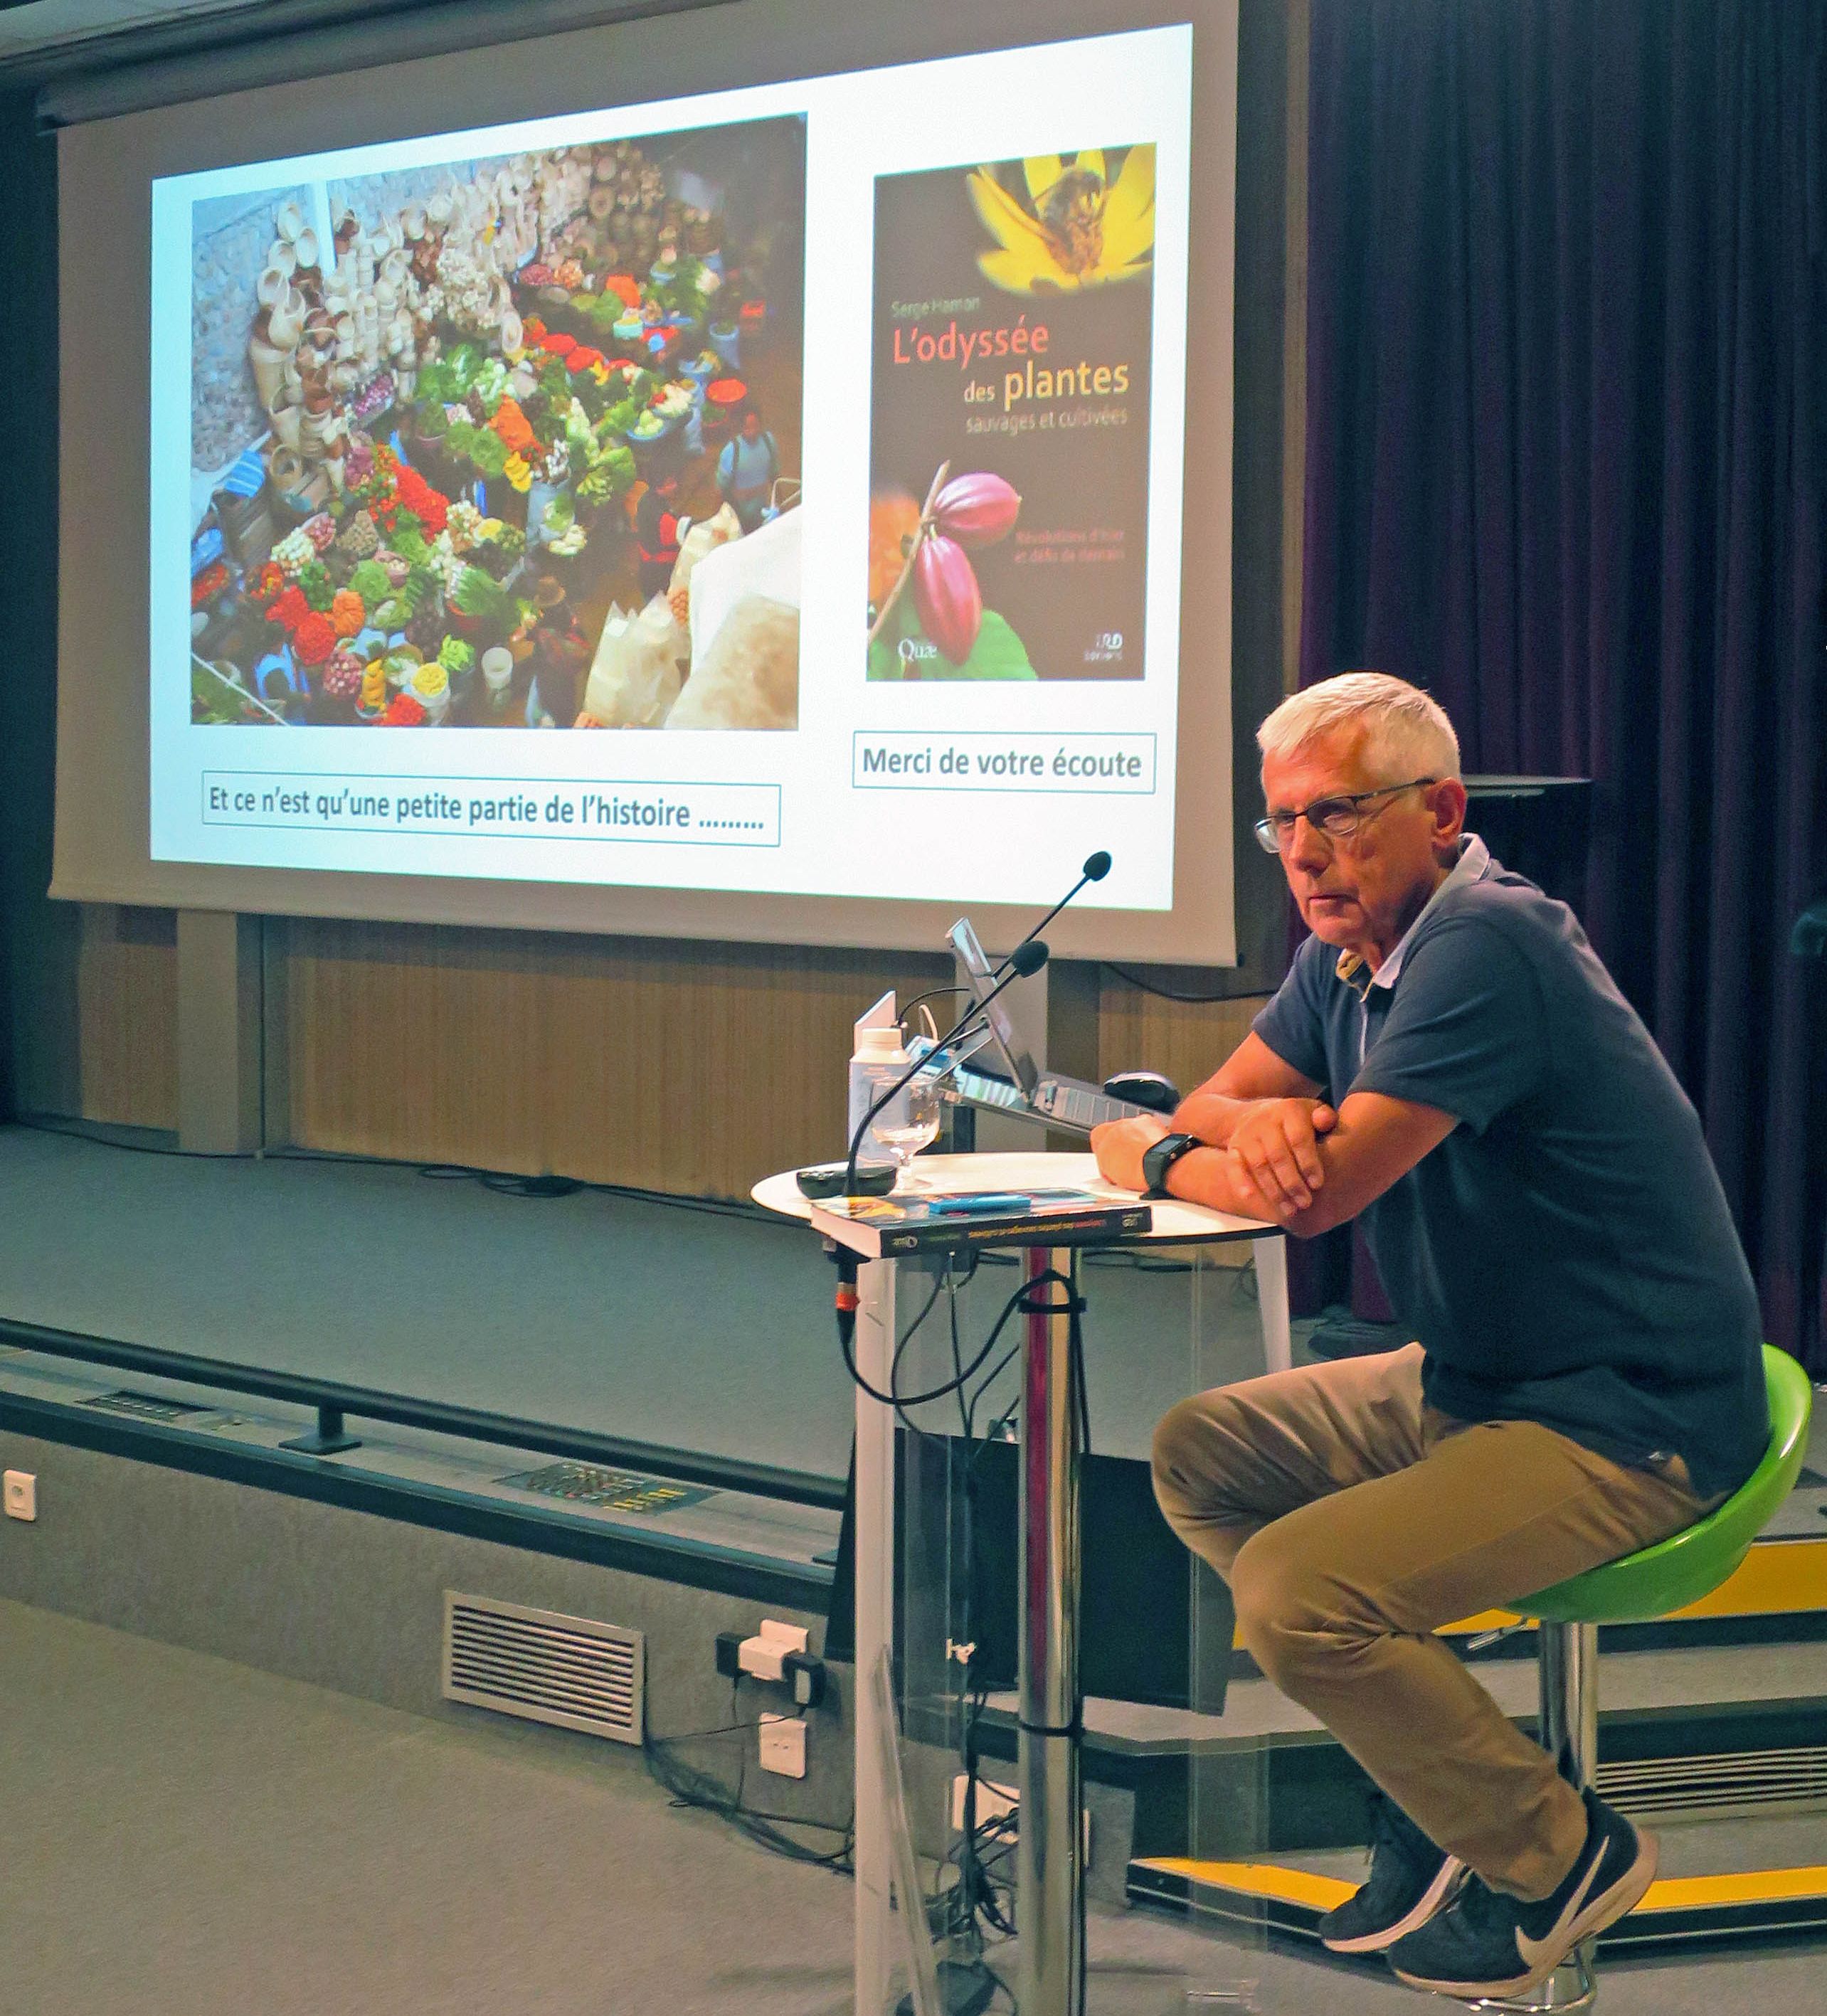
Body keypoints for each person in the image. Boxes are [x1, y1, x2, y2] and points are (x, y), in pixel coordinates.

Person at [1092, 671, 1769, 2001]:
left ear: (1442, 810)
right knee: (1198, 1452)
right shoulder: (1342, 958)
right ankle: (1435, 1781)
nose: (1302, 853)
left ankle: (1556, 1854)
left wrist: (1152, 1150)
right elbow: (1227, 1098)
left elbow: (1314, 1193)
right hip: (1481, 1376)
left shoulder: (1484, 944)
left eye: (1336, 814)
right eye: (1282, 822)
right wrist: (1251, 1122)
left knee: (1294, 1593)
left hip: (1626, 1412)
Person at [716, 404, 779, 531]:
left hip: (762, 510)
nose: (753, 432)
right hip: (737, 513)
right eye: (747, 428)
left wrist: (777, 503)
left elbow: (775, 475)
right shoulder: (731, 452)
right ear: (740, 427)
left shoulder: (769, 442)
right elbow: (721, 487)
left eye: (756, 426)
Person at [630, 465, 689, 601]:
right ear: (659, 487)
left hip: (654, 566)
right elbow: (682, 533)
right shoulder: (659, 515)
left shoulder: (649, 497)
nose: (676, 485)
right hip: (659, 574)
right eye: (670, 483)